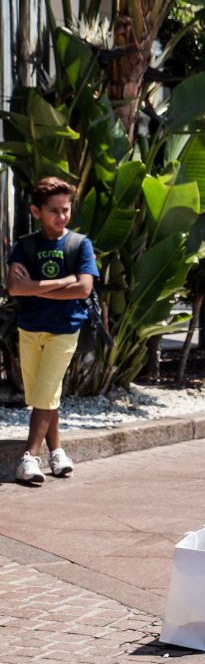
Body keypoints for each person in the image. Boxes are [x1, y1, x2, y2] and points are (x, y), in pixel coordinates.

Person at [5, 177, 99, 484]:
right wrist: (62, 282)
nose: (61, 217)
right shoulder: (25, 245)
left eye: (66, 210)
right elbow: (14, 286)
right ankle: (57, 452)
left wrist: (34, 288)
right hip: (30, 329)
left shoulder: (79, 244)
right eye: (53, 211)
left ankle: (28, 458)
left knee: (45, 390)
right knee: (44, 395)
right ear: (35, 211)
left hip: (64, 329)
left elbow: (84, 289)